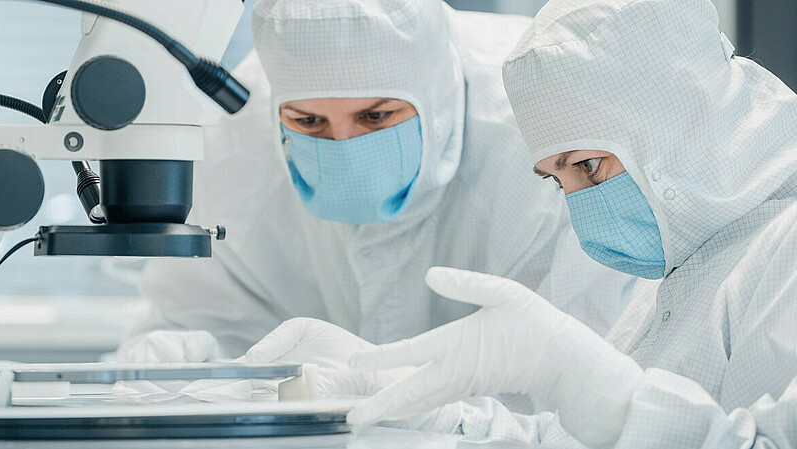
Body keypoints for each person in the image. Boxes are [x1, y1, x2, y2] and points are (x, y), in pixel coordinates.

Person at [342, 0, 797, 447]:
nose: (583, 208)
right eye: (558, 183)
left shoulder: (784, 249)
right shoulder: (692, 263)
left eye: (588, 166)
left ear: (681, 114)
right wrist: (412, 409)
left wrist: (599, 391)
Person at [117, 0, 633, 371]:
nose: (344, 143)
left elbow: (583, 365)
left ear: (432, 92)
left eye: (377, 115)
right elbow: (198, 316)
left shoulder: (540, 126)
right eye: (309, 122)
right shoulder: (240, 132)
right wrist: (186, 362)